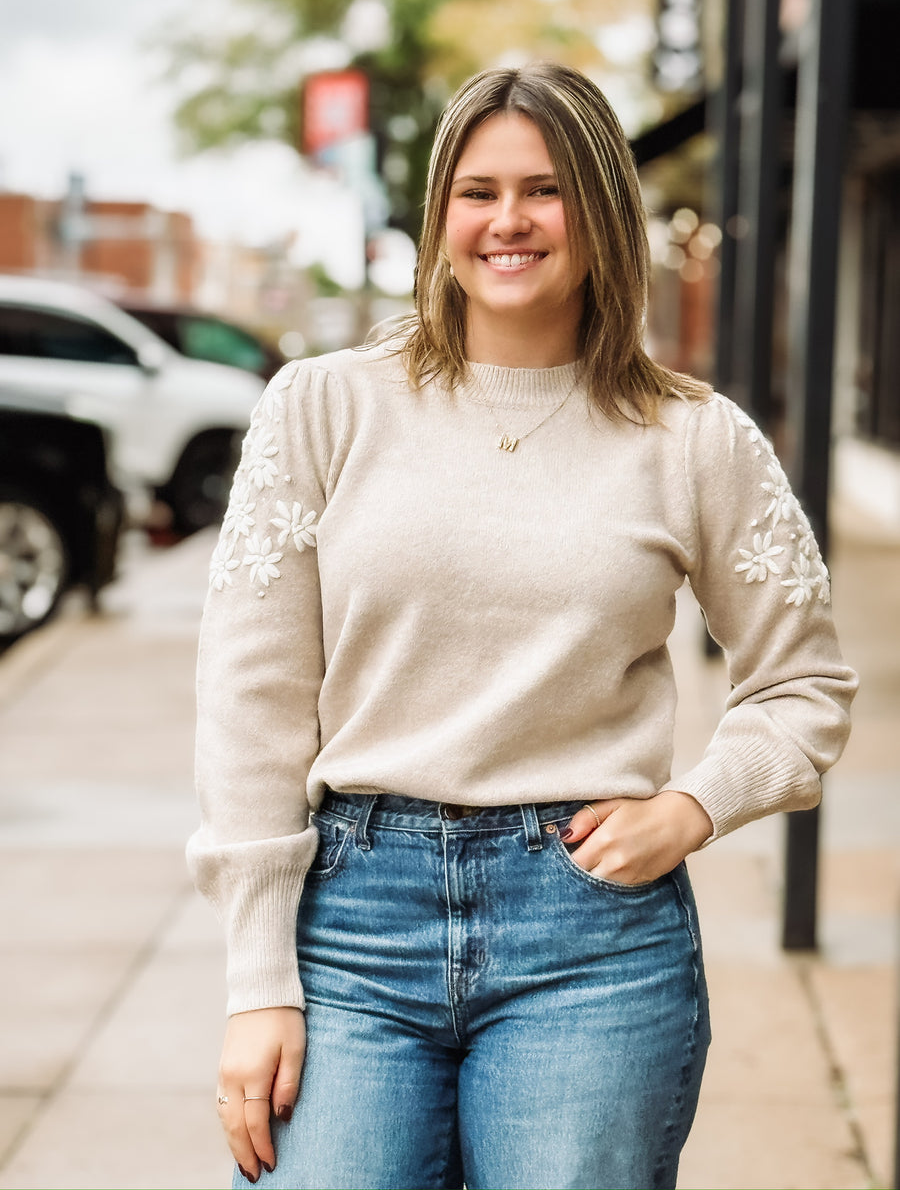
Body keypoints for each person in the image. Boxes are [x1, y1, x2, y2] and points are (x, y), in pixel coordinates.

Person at [188, 61, 857, 1190]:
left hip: (592, 942)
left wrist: (693, 807)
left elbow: (806, 686)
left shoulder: (695, 439)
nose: (509, 220)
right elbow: (252, 697)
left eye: (545, 190)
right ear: (440, 213)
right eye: (479, 191)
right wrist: (258, 982)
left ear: (602, 210)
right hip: (351, 925)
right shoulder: (324, 406)